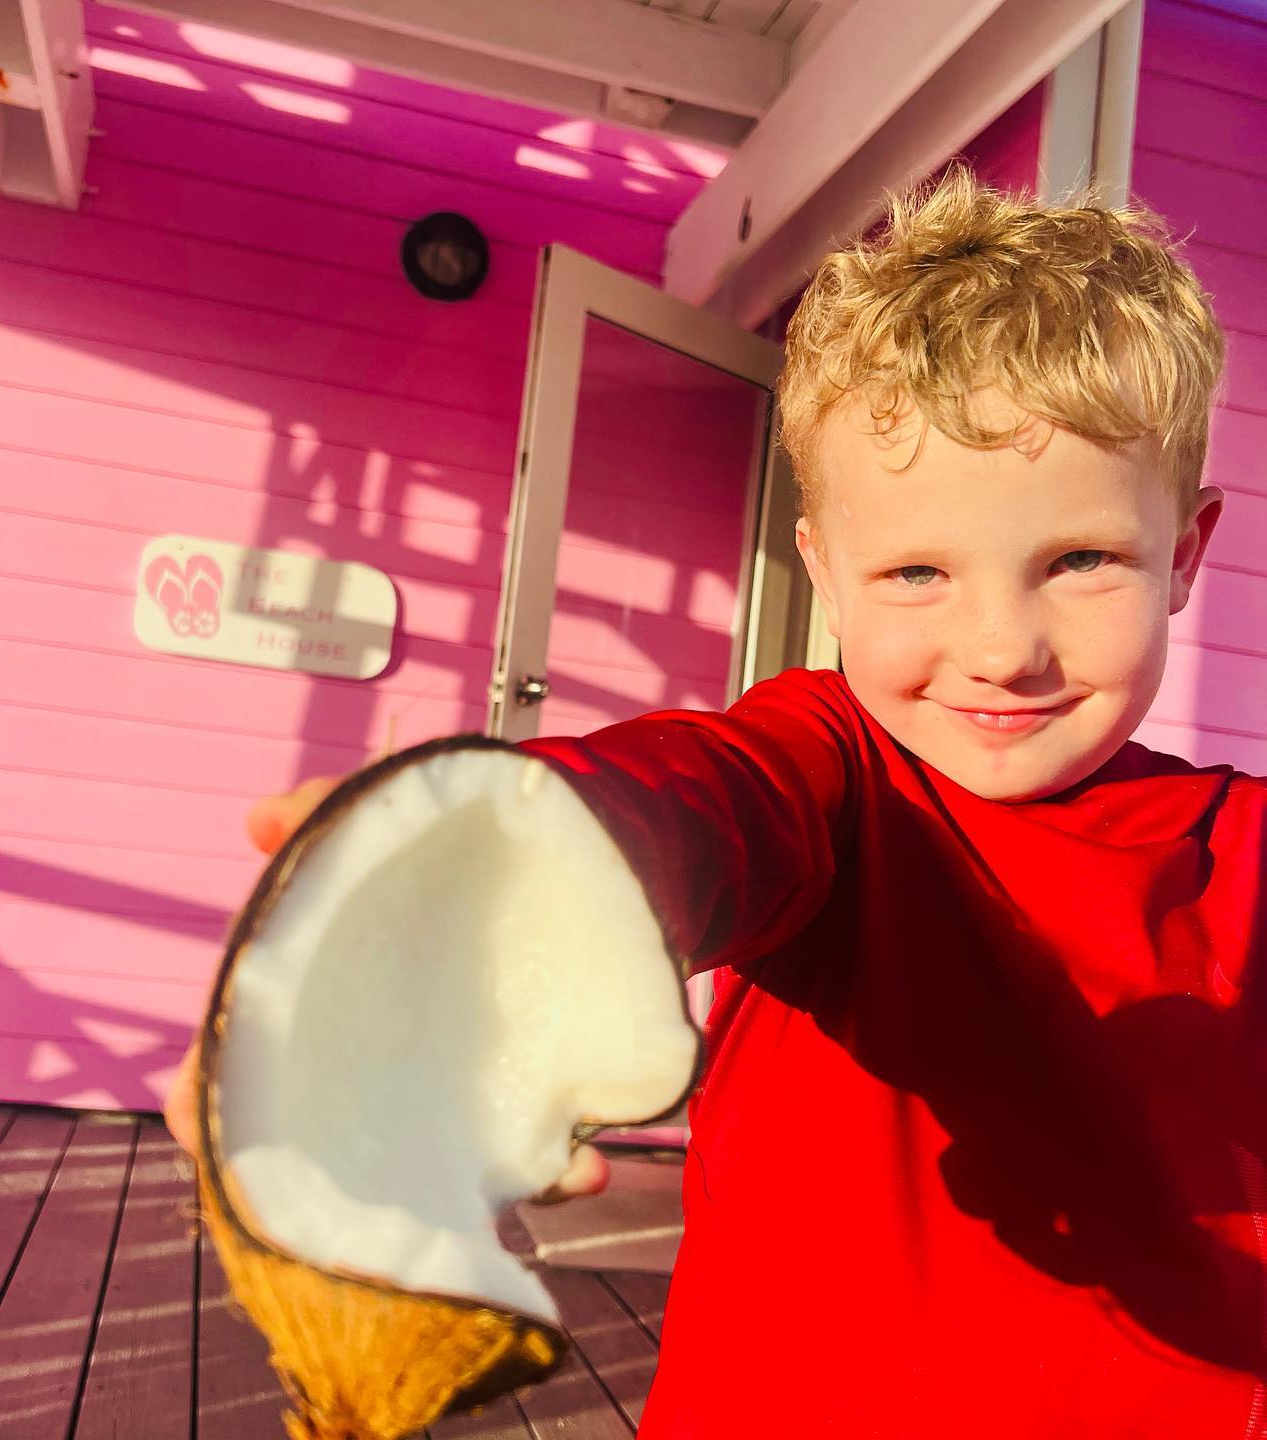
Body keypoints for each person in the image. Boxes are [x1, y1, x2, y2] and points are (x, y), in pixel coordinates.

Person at [168, 167, 1265, 1436]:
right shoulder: (834, 772)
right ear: (825, 572)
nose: (1002, 643)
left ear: (1184, 553)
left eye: (1081, 560)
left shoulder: (1241, 857)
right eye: (917, 570)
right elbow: (683, 801)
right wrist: (465, 886)